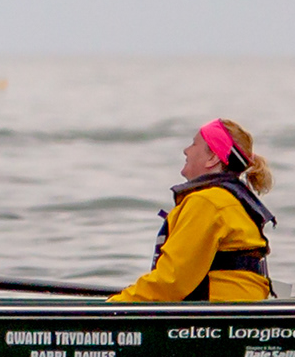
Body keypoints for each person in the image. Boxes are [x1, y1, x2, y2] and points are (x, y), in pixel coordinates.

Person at [113, 120, 275, 303]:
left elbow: (171, 282)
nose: (186, 150)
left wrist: (116, 305)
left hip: (215, 315)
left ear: (213, 158)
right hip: (238, 309)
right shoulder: (230, 200)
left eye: (194, 144)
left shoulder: (207, 202)